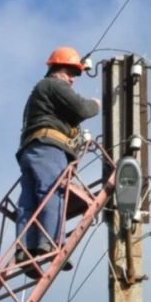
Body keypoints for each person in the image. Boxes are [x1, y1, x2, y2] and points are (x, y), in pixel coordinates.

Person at [15, 46, 100, 272]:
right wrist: (96, 104)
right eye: (71, 73)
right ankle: (52, 243)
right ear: (58, 68)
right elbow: (82, 109)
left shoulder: (40, 92)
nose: (72, 80)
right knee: (53, 193)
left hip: (31, 149)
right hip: (49, 148)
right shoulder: (54, 85)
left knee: (29, 201)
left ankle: (26, 249)